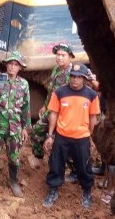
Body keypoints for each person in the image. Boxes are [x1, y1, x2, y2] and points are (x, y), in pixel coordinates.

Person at [42, 63, 100, 209]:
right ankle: (53, 190)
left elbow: (93, 118)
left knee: (84, 166)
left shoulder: (91, 95)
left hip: (82, 137)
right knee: (56, 164)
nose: (75, 80)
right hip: (62, 136)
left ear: (84, 79)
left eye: (78, 77)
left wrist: (91, 138)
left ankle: (86, 192)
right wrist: (50, 135)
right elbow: (53, 114)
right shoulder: (59, 92)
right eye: (72, 77)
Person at [0, 51, 31, 198]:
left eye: (15, 64)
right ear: (6, 65)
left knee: (14, 158)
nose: (12, 67)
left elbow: (26, 107)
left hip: (15, 128)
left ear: (20, 67)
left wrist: (26, 127)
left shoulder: (23, 84)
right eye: (10, 63)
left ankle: (14, 182)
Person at [29, 43, 75, 171]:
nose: (59, 58)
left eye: (63, 55)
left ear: (70, 56)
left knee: (63, 141)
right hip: (51, 109)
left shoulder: (74, 74)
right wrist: (45, 105)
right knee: (36, 130)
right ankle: (38, 156)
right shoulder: (56, 69)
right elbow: (51, 91)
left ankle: (71, 169)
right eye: (58, 55)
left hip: (66, 114)